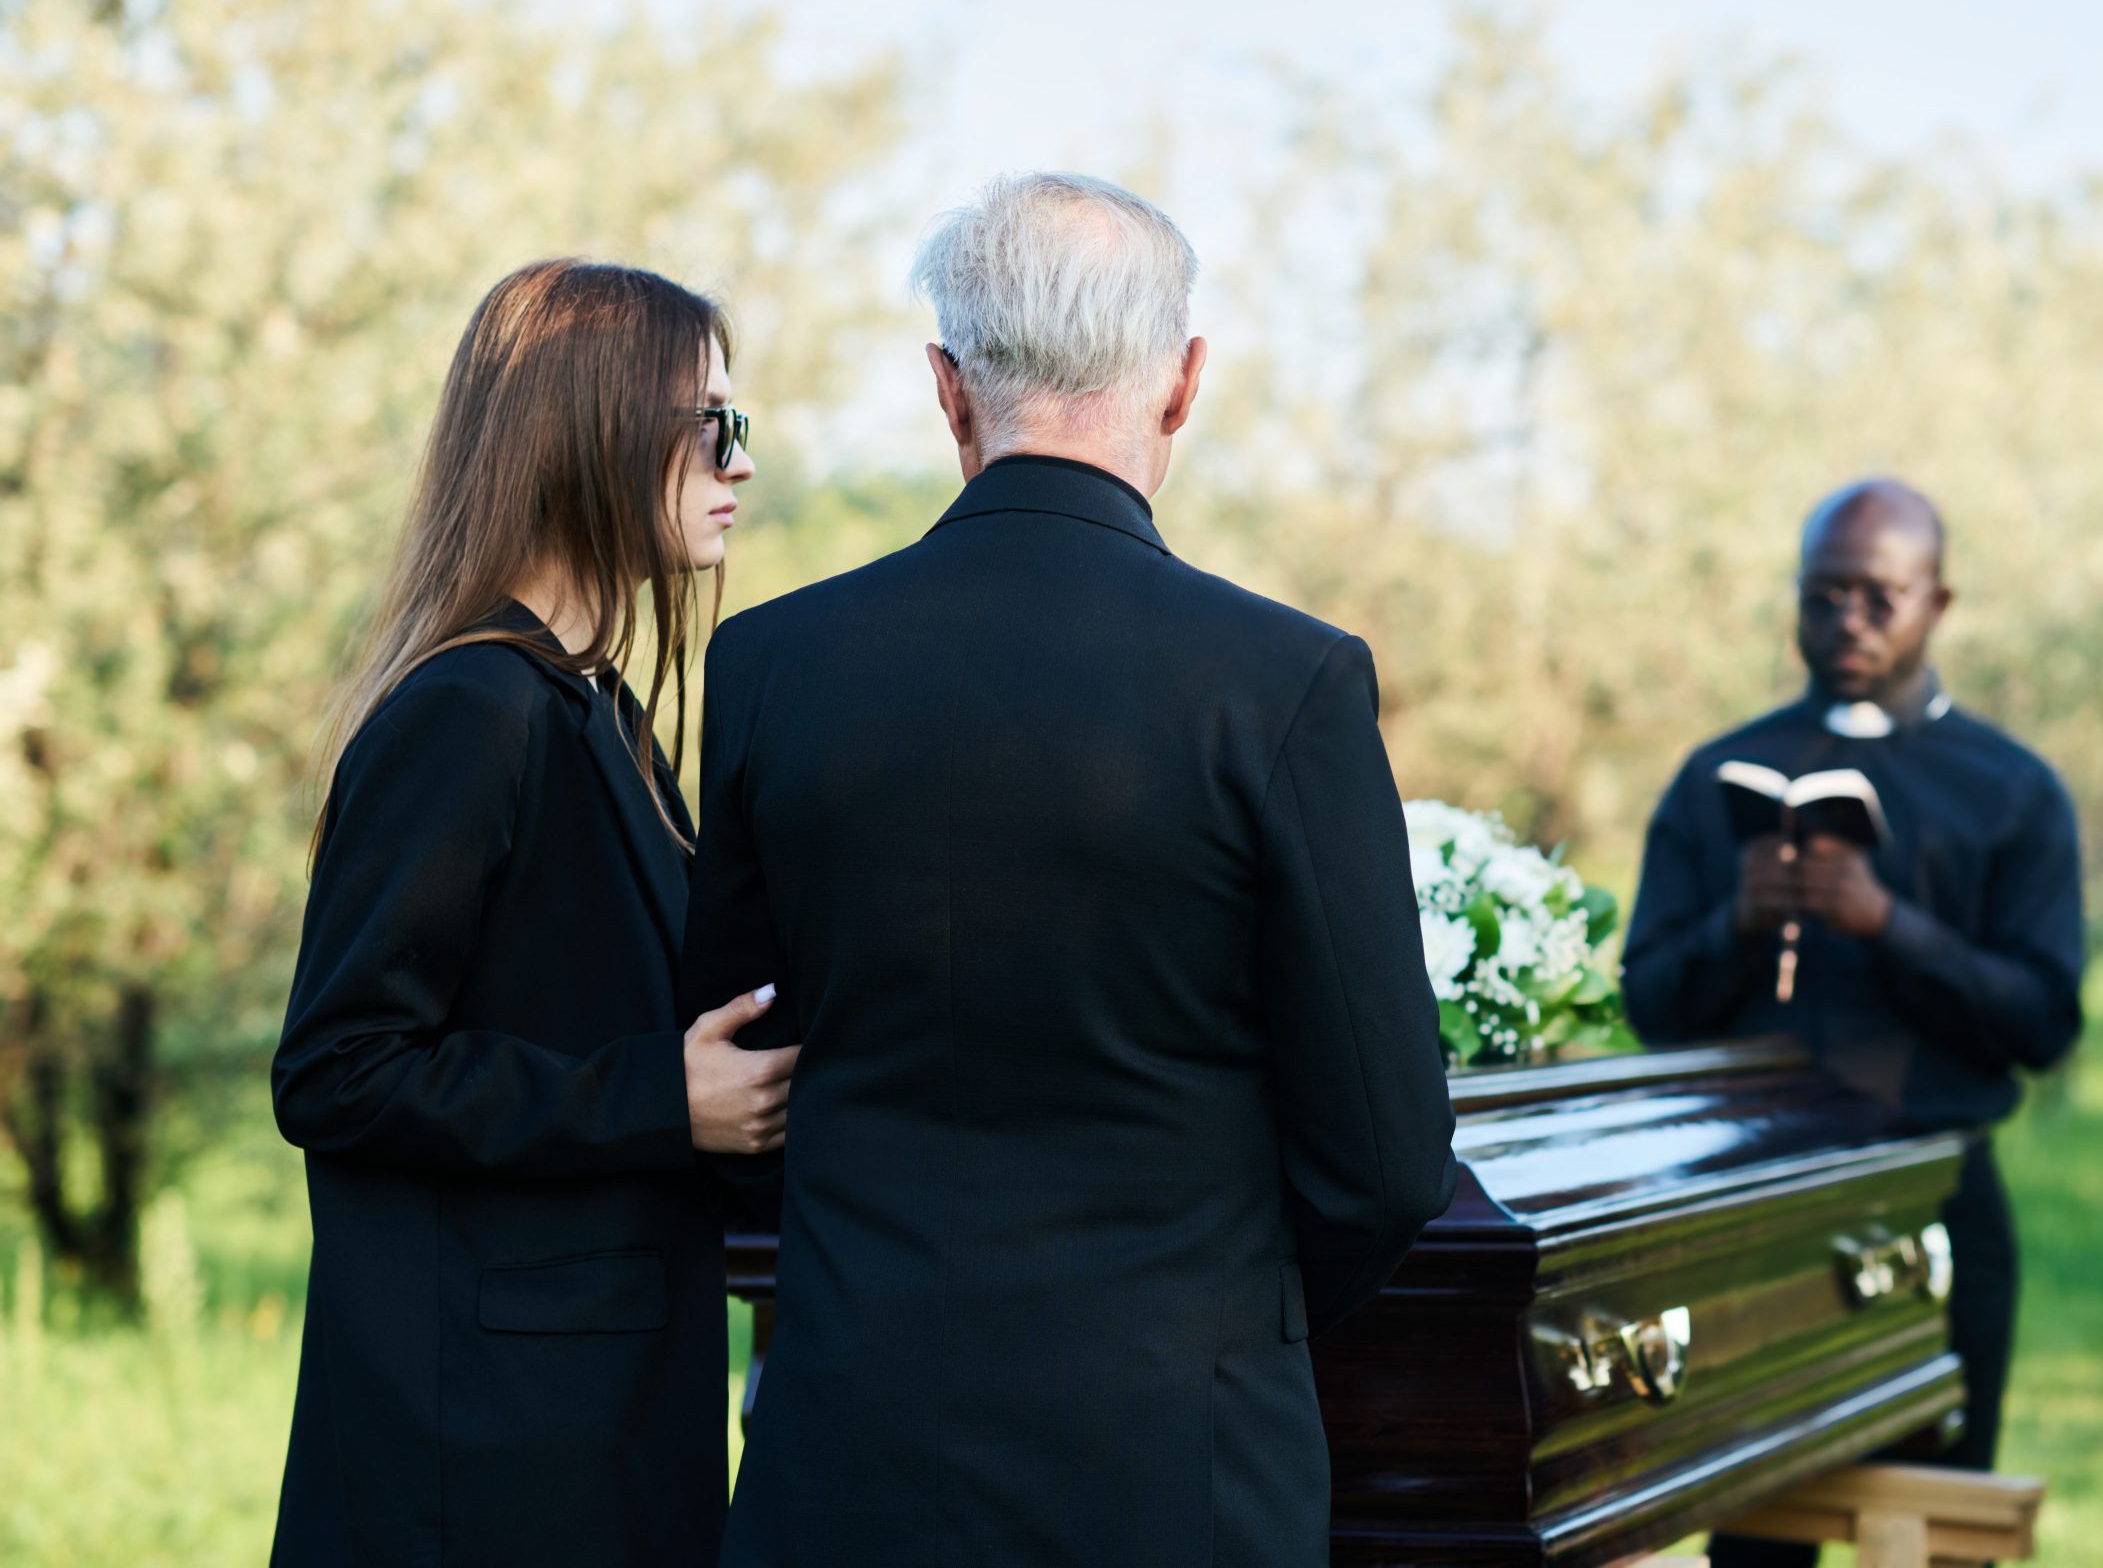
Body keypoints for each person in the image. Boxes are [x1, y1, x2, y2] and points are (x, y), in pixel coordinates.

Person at [678, 172, 1458, 1567]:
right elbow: (1388, 1160)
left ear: (946, 387)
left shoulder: (772, 666)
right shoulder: (1284, 682)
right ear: (1183, 385)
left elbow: (741, 1057)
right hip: (1180, 1465)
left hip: (852, 1440)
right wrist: (1224, 1314)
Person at [270, 260, 795, 1568]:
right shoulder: (471, 712)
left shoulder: (593, 708)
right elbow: (338, 1070)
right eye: (711, 422)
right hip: (487, 1456)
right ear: (591, 429)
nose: (739, 461)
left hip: (600, 1410)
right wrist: (655, 1097)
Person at [1620, 478, 2083, 1565]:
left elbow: (2044, 1022)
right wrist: (1738, 921)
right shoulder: (1713, 778)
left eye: (1879, 596)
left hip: (1937, 1193)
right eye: (1822, 596)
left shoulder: (2011, 790)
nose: (1848, 622)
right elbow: (1650, 1003)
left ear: (1938, 599)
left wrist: (1887, 925)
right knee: (1756, 1531)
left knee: (1940, 1525)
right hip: (1755, 1203)